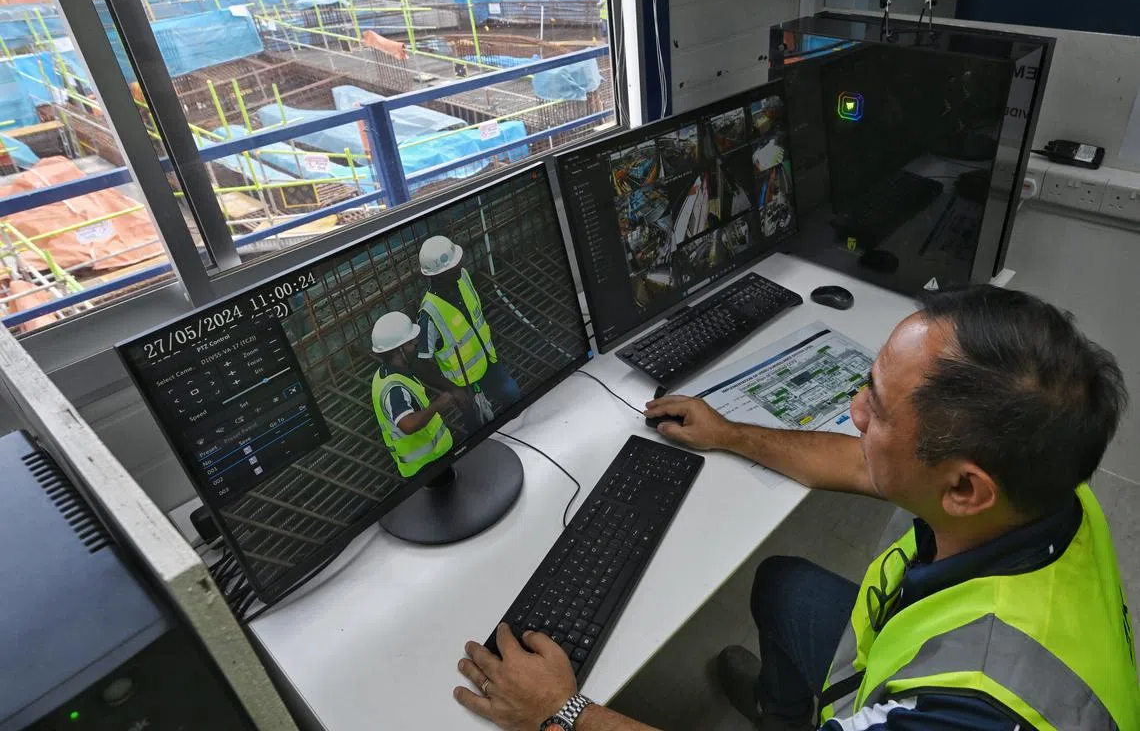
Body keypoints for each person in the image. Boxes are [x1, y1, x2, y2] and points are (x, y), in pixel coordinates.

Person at [452, 286, 1139, 731]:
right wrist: (729, 434)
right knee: (783, 586)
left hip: (943, 700)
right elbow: (866, 464)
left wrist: (560, 711)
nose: (853, 412)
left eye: (877, 409)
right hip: (902, 652)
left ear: (963, 488)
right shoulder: (1038, 479)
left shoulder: (968, 712)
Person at [415, 235, 521, 433]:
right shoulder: (429, 314)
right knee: (478, 429)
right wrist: (452, 389)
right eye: (453, 265)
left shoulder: (462, 276)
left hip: (489, 362)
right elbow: (420, 364)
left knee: (513, 398)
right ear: (438, 275)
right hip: (464, 384)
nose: (459, 265)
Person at [369, 311, 454, 479]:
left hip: (431, 461)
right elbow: (407, 425)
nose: (416, 343)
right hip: (426, 467)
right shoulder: (394, 388)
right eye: (410, 343)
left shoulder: (386, 374)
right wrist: (439, 404)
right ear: (397, 351)